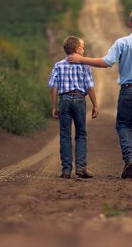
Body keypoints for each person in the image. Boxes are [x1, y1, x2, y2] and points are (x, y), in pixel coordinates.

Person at [68, 10, 132, 180]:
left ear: (130, 24)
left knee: (123, 125)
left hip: (128, 89)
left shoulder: (122, 42)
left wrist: (81, 59)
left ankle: (130, 158)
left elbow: (106, 62)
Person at [48, 36, 99, 179]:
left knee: (65, 135)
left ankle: (66, 170)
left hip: (64, 99)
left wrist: (54, 106)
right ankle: (81, 168)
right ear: (77, 49)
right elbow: (90, 87)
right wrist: (95, 104)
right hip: (79, 99)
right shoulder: (84, 65)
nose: (83, 49)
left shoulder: (58, 65)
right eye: (82, 47)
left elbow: (53, 87)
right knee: (81, 133)